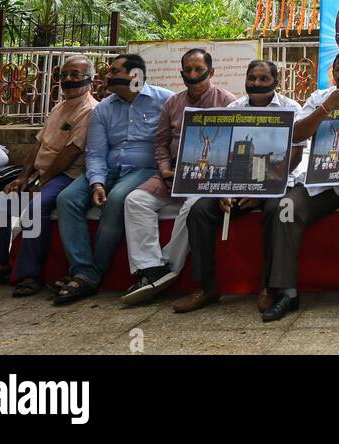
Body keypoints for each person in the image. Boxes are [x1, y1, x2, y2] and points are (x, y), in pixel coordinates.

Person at [261, 51, 339, 321]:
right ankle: (288, 292)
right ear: (333, 72)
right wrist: (326, 108)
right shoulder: (319, 98)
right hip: (323, 184)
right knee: (286, 207)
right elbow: (296, 134)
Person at [172, 60, 304, 313]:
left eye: (263, 78)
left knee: (278, 211)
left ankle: (268, 286)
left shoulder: (290, 108)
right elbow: (223, 153)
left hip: (276, 183)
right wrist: (224, 190)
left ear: (276, 81)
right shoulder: (233, 108)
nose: (256, 83)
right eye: (252, 77)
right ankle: (206, 287)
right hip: (236, 183)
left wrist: (260, 191)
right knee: (199, 210)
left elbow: (294, 157)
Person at [0, 55, 98, 297]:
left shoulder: (90, 110)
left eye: (75, 75)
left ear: (90, 79)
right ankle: (0, 266)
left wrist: (42, 182)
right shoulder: (59, 105)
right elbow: (38, 145)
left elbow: (70, 153)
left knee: (37, 208)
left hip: (67, 176)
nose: (68, 79)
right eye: (64, 75)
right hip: (42, 175)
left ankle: (29, 274)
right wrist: (23, 177)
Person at [53, 54, 174, 304]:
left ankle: (89, 275)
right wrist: (96, 183)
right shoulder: (104, 108)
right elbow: (95, 152)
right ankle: (84, 269)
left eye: (114, 71)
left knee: (118, 198)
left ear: (135, 76)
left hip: (145, 168)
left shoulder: (165, 100)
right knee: (66, 199)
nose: (107, 76)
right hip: (108, 168)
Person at [120, 48, 236, 306]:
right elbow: (160, 143)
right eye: (188, 70)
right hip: (171, 175)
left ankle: (168, 268)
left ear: (211, 72)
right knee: (135, 200)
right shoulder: (173, 103)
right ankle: (150, 268)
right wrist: (163, 168)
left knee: (193, 206)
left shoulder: (228, 102)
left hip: (208, 179)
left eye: (198, 70)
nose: (192, 75)